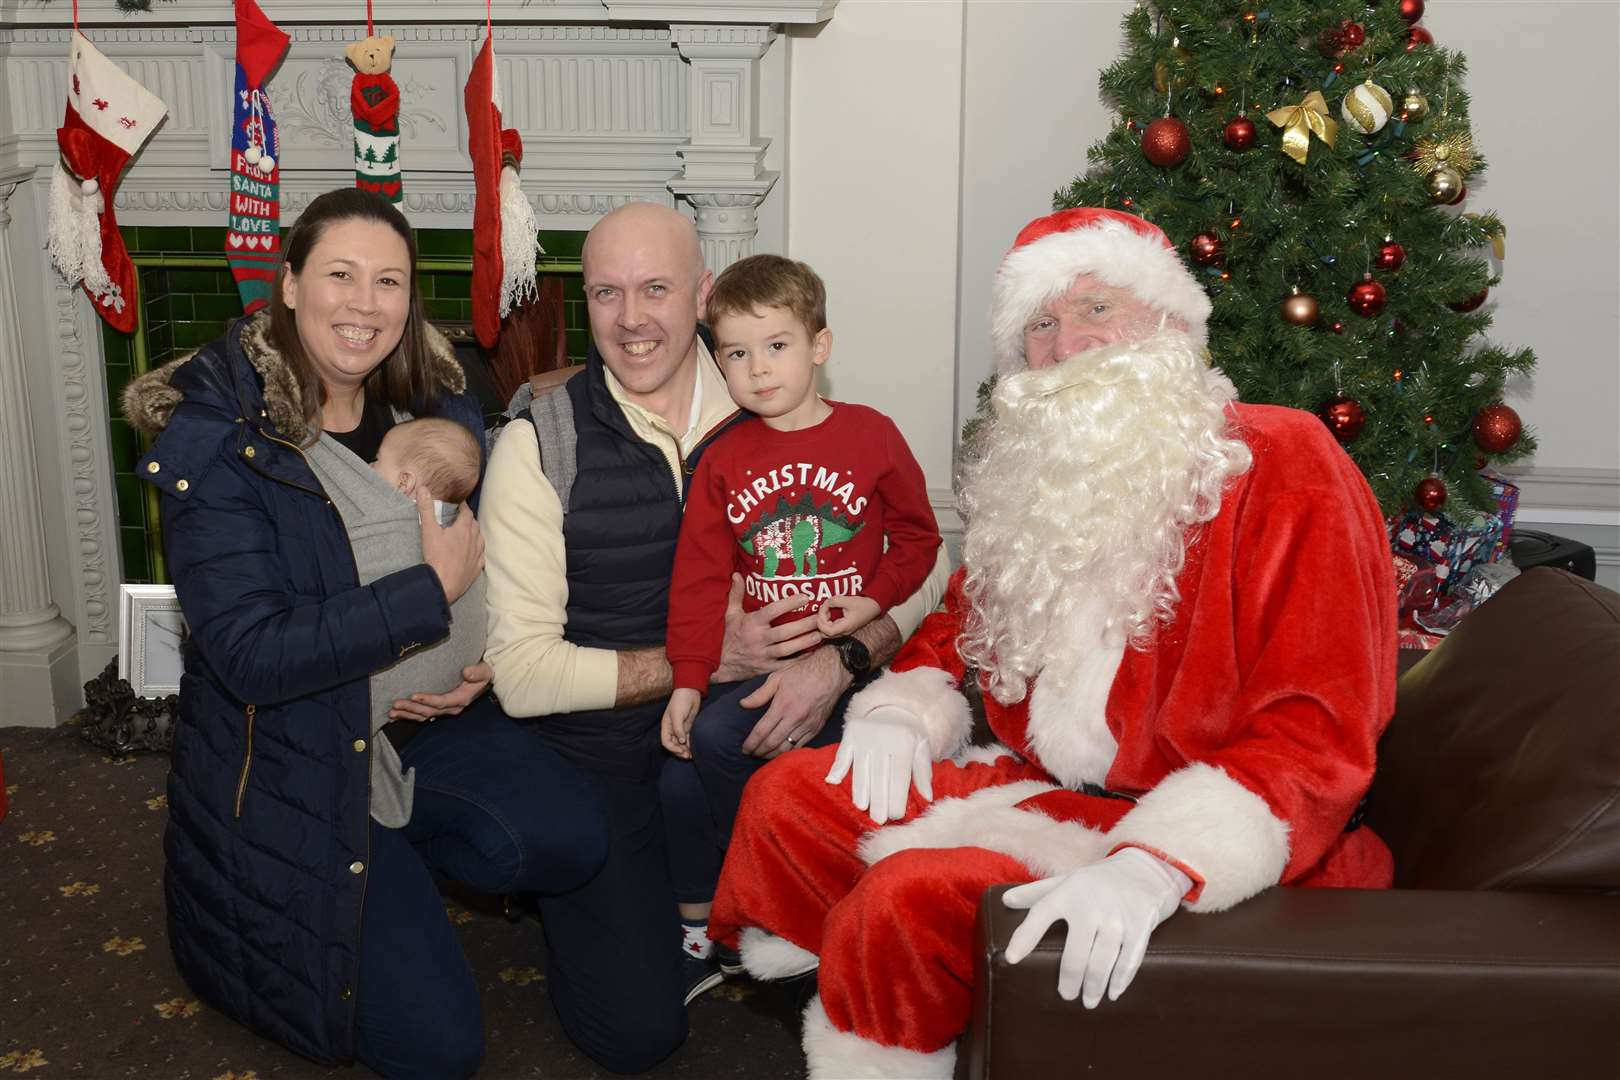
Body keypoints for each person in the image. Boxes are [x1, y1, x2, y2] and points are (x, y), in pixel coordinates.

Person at [707, 207, 1399, 1078]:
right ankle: (903, 994)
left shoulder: (1280, 458)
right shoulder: (1037, 479)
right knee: (789, 799)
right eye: (1040, 323)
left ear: (1170, 322)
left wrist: (1163, 862)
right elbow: (961, 627)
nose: (1066, 344)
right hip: (1053, 791)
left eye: (1095, 309)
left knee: (904, 897)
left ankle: (887, 1034)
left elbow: (1319, 727)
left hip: (1201, 824)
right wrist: (903, 708)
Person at [125, 187, 608, 1080]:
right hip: (294, 758)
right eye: (340, 275)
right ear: (291, 284)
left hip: (428, 724)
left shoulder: (439, 407)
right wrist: (429, 595)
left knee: (568, 834)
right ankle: (363, 871)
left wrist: (478, 665)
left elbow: (492, 561)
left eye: (389, 282)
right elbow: (250, 655)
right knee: (436, 1049)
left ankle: (397, 861)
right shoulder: (220, 444)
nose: (364, 303)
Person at [479, 202, 949, 1070]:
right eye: (606, 294)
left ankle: (761, 913)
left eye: (655, 288)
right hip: (612, 754)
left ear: (701, 295)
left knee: (883, 973)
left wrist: (842, 653)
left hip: (775, 719)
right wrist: (698, 665)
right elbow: (520, 675)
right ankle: (677, 913)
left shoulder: (774, 406)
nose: (630, 319)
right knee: (636, 1034)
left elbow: (925, 558)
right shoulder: (537, 444)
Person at [658, 254, 942, 1001]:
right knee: (678, 784)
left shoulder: (872, 435)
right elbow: (697, 579)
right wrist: (688, 681)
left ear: (819, 345)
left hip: (853, 671)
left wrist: (873, 602)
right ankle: (719, 926)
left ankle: (781, 896)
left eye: (776, 345)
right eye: (737, 353)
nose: (758, 369)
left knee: (726, 747)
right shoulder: (722, 461)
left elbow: (919, 541)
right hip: (755, 670)